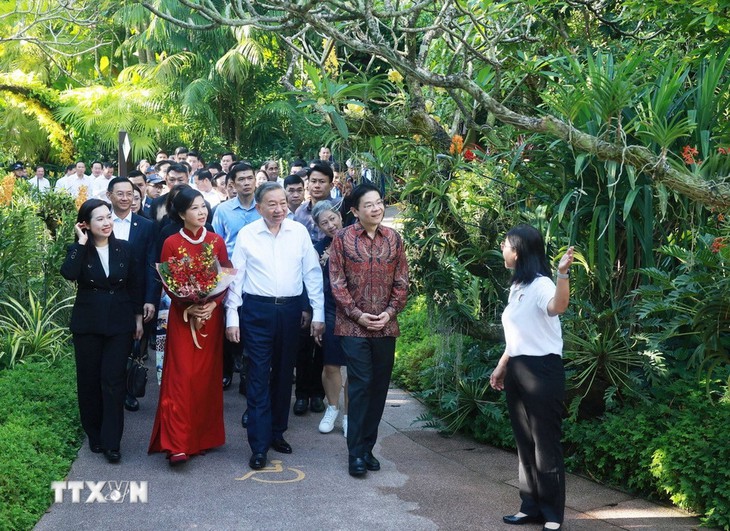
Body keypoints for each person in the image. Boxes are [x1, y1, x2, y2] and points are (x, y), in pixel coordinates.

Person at [224, 182, 324, 470]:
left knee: (283, 373)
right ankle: (258, 444)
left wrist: (317, 312)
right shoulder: (247, 234)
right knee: (257, 374)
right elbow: (236, 277)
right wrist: (232, 316)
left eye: (282, 202)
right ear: (259, 207)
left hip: (290, 310)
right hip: (257, 310)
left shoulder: (299, 232)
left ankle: (277, 433)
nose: (279, 208)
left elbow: (312, 274)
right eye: (272, 203)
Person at [489, 225, 574, 531]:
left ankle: (552, 513)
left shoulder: (541, 284)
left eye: (506, 244)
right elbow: (518, 335)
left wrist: (563, 274)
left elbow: (557, 307)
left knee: (545, 443)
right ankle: (531, 506)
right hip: (518, 368)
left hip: (543, 371)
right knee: (524, 443)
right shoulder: (518, 286)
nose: (502, 248)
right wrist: (502, 366)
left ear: (520, 250)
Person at [328, 183, 409, 477]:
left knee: (378, 388)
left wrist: (388, 313)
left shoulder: (394, 238)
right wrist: (358, 314)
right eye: (369, 205)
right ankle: (355, 454)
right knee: (361, 386)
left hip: (386, 326)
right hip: (353, 326)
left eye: (379, 203)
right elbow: (337, 283)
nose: (376, 209)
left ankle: (368, 448)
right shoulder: (343, 239)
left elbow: (402, 281)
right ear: (355, 211)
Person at [149, 187, 230, 465]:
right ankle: (177, 444)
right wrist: (187, 304)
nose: (202, 212)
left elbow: (225, 274)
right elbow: (169, 282)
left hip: (210, 319)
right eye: (195, 208)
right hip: (183, 319)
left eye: (203, 207)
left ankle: (201, 437)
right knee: (180, 378)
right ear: (182, 213)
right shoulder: (171, 242)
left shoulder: (216, 241)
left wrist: (213, 304)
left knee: (205, 379)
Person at [60, 199, 144, 463]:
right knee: (89, 381)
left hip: (119, 323)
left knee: (113, 381)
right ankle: (94, 434)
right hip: (88, 324)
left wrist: (138, 319)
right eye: (99, 219)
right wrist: (80, 242)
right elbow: (69, 274)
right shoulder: (80, 250)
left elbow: (135, 286)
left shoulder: (125, 249)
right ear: (85, 224)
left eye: (108, 217)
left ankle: (112, 441)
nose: (106, 222)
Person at [212, 163, 261, 392]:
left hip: (259, 275)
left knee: (250, 324)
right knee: (227, 323)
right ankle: (226, 370)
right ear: (232, 184)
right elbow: (216, 246)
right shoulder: (222, 211)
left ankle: (247, 373)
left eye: (249, 178)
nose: (246, 183)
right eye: (240, 179)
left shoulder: (263, 207)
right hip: (230, 275)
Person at [312, 200, 349, 436]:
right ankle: (332, 407)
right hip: (330, 309)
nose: (330, 224)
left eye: (332, 218)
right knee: (330, 364)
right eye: (324, 222)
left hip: (357, 311)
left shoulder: (357, 239)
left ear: (340, 216)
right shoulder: (317, 248)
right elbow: (313, 283)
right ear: (318, 226)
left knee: (355, 366)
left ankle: (349, 416)